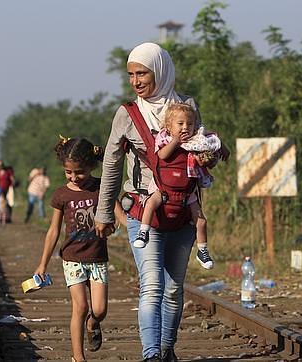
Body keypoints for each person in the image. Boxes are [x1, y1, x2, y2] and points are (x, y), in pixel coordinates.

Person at [95, 42, 228, 361]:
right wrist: (104, 212)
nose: (136, 81)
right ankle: (151, 353)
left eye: (142, 73)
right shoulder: (126, 115)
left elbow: (201, 149)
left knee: (172, 288)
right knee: (152, 284)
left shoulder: (186, 106)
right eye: (130, 75)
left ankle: (167, 347)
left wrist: (210, 154)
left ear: (161, 71)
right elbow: (112, 163)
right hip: (144, 210)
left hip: (183, 211)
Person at [34, 136, 125, 362]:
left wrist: (124, 227)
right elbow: (53, 231)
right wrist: (42, 264)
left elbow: (119, 215)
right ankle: (78, 357)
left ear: (92, 166)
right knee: (80, 306)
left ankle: (93, 324)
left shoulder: (102, 187)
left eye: (80, 172)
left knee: (100, 310)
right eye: (69, 172)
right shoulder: (61, 195)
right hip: (72, 257)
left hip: (97, 257)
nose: (74, 177)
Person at [133, 103, 220, 270]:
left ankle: (202, 250)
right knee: (150, 203)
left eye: (190, 124)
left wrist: (207, 158)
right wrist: (175, 142)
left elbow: (210, 156)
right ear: (169, 126)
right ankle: (143, 232)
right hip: (163, 189)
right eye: (180, 124)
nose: (185, 128)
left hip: (187, 193)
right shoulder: (165, 139)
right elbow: (162, 155)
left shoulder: (198, 142)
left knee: (201, 221)